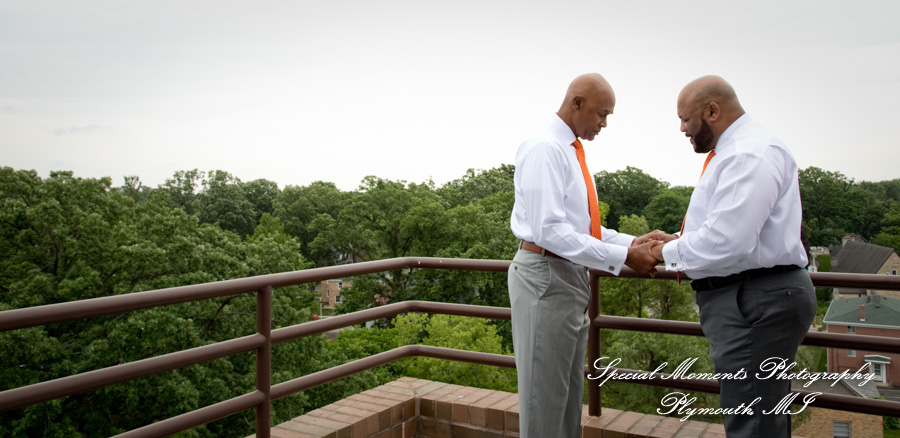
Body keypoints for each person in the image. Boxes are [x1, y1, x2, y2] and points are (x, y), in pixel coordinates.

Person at [650, 75, 816, 437]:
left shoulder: (748, 153)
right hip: (755, 295)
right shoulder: (740, 150)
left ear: (712, 110)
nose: (682, 129)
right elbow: (734, 230)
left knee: (752, 422)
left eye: (686, 119)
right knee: (760, 416)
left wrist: (663, 252)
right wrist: (680, 238)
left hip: (754, 300)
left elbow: (730, 241)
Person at [508, 73, 662, 438]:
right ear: (577, 102)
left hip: (565, 275)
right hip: (546, 274)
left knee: (564, 402)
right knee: (544, 406)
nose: (604, 124)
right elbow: (550, 231)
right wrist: (623, 257)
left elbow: (580, 228)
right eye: (602, 114)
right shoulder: (546, 148)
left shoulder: (568, 150)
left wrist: (633, 244)